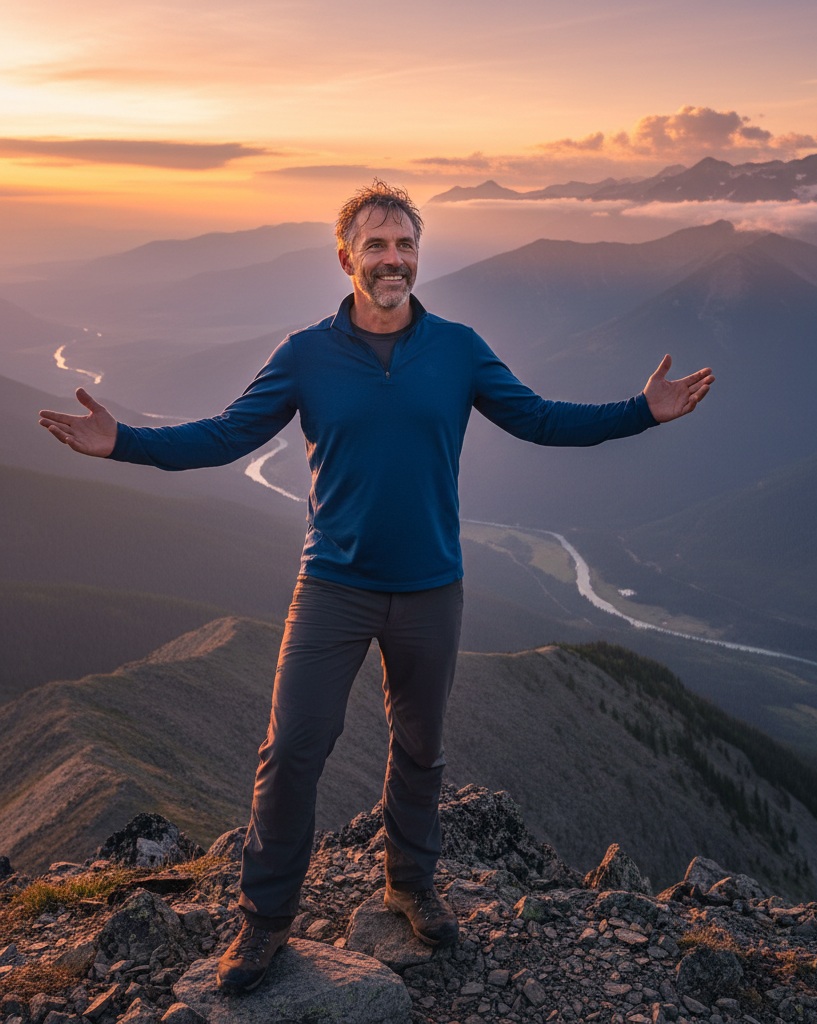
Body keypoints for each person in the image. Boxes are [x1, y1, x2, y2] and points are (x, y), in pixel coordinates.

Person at [39, 181, 714, 993]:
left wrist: (642, 410)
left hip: (432, 586)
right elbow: (225, 435)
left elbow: (540, 418)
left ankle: (409, 885)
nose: (392, 259)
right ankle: (263, 924)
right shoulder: (305, 354)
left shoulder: (458, 347)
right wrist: (124, 445)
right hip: (333, 585)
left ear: (418, 256)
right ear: (346, 256)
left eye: (405, 245)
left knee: (420, 749)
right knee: (292, 750)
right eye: (377, 244)